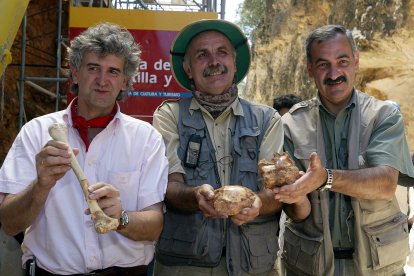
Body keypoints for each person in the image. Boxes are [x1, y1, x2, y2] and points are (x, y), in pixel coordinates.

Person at [0, 22, 168, 275]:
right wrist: (40, 186)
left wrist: (120, 217)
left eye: (113, 71)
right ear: (75, 73)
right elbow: (10, 224)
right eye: (93, 68)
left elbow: (155, 225)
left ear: (124, 81)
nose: (102, 80)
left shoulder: (146, 139)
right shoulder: (35, 132)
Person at [152, 19, 310, 276]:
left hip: (254, 266)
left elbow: (276, 192)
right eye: (202, 55)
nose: (214, 61)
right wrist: (195, 197)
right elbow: (169, 185)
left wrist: (258, 203)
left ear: (235, 64)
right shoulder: (169, 115)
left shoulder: (267, 119)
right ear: (188, 69)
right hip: (184, 266)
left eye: (222, 52)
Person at [272, 24, 414, 275]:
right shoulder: (290, 125)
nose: (334, 72)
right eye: (323, 64)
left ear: (356, 61)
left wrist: (324, 178)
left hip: (378, 266)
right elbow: (299, 213)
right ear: (309, 69)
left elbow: (384, 184)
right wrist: (295, 196)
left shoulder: (383, 115)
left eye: (342, 61)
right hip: (311, 265)